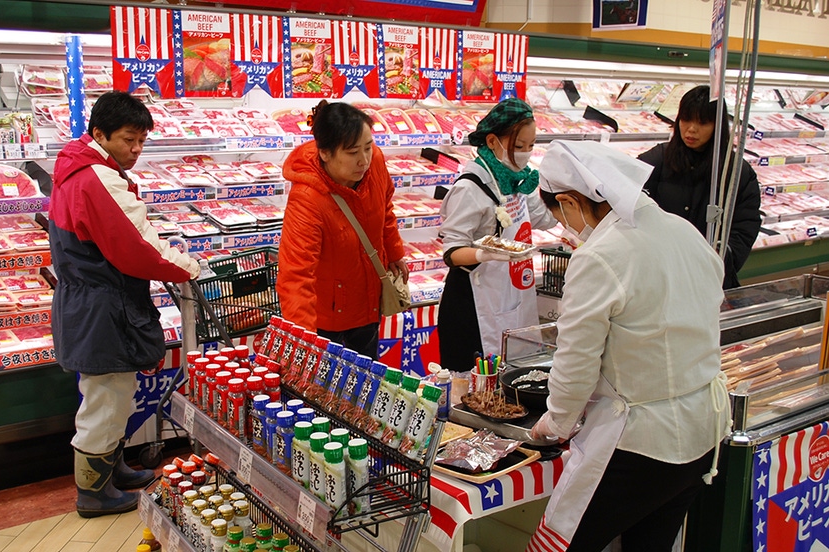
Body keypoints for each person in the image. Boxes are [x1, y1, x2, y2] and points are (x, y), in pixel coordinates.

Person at [527, 140, 730, 552]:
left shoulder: (600, 256)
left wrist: (553, 425)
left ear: (568, 201)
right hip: (703, 429)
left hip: (640, 442)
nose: (566, 226)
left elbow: (575, 364)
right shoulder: (683, 230)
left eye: (560, 215)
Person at [49, 91, 200, 518]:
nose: (136, 150)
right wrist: (187, 266)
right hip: (101, 307)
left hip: (95, 301)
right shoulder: (97, 178)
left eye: (141, 141)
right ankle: (93, 494)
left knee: (114, 394)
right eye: (128, 140)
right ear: (100, 134)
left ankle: (111, 471)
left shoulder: (79, 167)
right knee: (105, 400)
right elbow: (138, 249)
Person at [276, 100, 408, 359]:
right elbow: (295, 276)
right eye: (352, 152)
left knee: (366, 384)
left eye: (368, 147)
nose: (364, 160)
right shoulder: (307, 198)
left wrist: (394, 251)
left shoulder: (375, 163)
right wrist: (304, 342)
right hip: (328, 318)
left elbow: (385, 209)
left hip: (369, 302)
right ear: (325, 152)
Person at [437, 98, 554, 372]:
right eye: (518, 146)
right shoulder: (471, 186)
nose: (525, 153)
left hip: (511, 294)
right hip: (471, 306)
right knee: (475, 388)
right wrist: (486, 253)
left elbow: (545, 218)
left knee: (512, 376)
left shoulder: (517, 180)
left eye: (530, 146)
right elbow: (451, 252)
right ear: (492, 141)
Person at [638, 84, 761, 289]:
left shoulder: (736, 172)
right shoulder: (659, 159)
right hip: (659, 275)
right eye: (686, 119)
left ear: (718, 125)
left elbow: (745, 227)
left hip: (709, 279)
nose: (691, 129)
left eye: (703, 122)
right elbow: (626, 196)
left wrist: (717, 261)